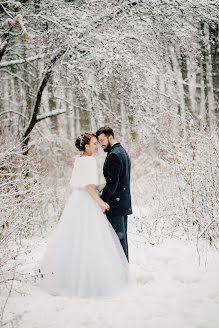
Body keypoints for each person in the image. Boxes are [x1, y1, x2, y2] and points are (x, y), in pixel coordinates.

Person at [37, 132, 130, 298]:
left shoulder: (79, 159)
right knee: (90, 239)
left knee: (75, 239)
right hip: (87, 200)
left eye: (98, 143)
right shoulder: (88, 160)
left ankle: (69, 277)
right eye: (95, 143)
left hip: (77, 201)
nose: (97, 146)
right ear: (86, 146)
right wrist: (101, 202)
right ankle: (90, 280)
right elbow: (88, 185)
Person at [96, 127, 132, 261]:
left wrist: (102, 202)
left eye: (102, 140)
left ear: (110, 137)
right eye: (99, 142)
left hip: (115, 207)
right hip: (122, 205)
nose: (101, 144)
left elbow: (112, 183)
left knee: (117, 244)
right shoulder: (122, 152)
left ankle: (122, 275)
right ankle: (124, 272)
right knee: (122, 242)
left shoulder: (114, 155)